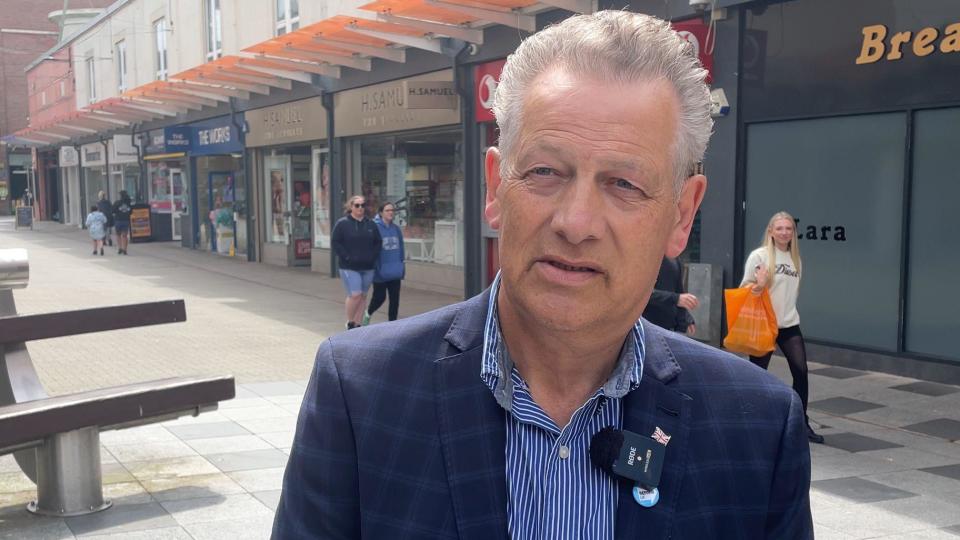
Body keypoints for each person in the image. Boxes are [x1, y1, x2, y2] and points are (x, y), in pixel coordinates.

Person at [274, 11, 812, 540]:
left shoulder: (758, 429)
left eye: (624, 184)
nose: (575, 224)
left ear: (681, 215)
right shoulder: (361, 393)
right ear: (494, 188)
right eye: (545, 172)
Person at [740, 211, 823, 445]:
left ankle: (800, 423)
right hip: (764, 323)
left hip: (788, 324)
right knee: (756, 375)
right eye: (780, 228)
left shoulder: (795, 258)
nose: (784, 232)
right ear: (771, 231)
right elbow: (744, 289)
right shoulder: (760, 256)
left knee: (801, 371)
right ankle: (750, 421)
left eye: (788, 228)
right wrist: (760, 284)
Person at [331, 195, 381, 330]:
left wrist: (373, 257)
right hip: (349, 267)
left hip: (368, 267)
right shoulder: (342, 224)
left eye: (362, 205)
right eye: (357, 205)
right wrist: (346, 257)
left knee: (363, 296)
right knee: (355, 295)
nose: (360, 208)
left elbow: (378, 242)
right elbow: (335, 242)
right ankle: (350, 322)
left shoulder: (370, 224)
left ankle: (358, 325)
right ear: (351, 207)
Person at [362, 202, 405, 325]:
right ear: (381, 213)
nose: (391, 212)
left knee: (395, 300)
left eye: (392, 210)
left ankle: (392, 324)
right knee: (379, 297)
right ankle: (368, 313)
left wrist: (401, 266)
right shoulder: (374, 227)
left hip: (395, 269)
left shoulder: (396, 229)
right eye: (387, 210)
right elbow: (369, 248)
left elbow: (401, 248)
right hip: (380, 270)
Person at [643, 256, 698, 335]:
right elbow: (643, 294)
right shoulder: (649, 257)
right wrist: (676, 299)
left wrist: (686, 318)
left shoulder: (675, 260)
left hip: (670, 328)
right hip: (649, 326)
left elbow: (679, 293)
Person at [112, 190, 133, 255]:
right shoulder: (129, 203)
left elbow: (113, 211)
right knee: (125, 235)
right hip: (126, 220)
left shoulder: (117, 202)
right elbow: (131, 212)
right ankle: (125, 249)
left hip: (118, 220)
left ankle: (120, 248)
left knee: (118, 235)